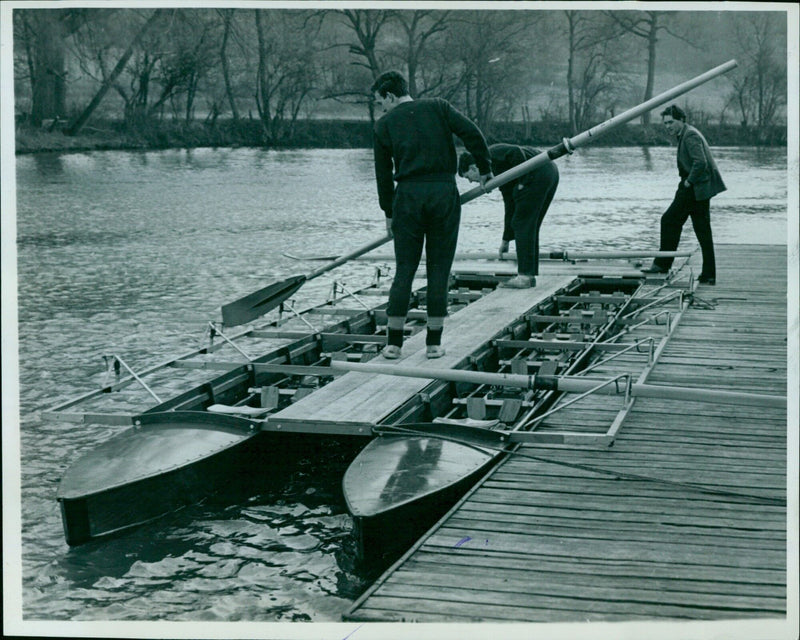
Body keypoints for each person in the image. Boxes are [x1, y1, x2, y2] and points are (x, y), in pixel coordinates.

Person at [371, 70, 492, 360]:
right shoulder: (438, 107)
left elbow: (383, 175)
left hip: (407, 198)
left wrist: (388, 213)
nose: (380, 109)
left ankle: (393, 344)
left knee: (405, 270)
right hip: (442, 194)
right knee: (439, 269)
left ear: (389, 96)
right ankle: (434, 345)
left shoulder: (384, 125)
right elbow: (472, 133)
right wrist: (485, 168)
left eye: (379, 102)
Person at [641, 105, 726, 285]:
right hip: (699, 190)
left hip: (693, 189)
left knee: (669, 220)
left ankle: (662, 264)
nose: (668, 126)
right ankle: (709, 274)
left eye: (671, 122)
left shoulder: (690, 136)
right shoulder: (687, 133)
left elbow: (700, 162)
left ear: (681, 120)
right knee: (702, 231)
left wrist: (688, 182)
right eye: (665, 123)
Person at [459, 144, 559, 287]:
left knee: (522, 223)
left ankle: (525, 277)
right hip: (549, 170)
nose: (471, 182)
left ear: (474, 168)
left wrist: (523, 182)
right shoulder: (497, 174)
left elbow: (515, 151)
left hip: (539, 170)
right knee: (529, 224)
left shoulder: (489, 154)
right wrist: (505, 240)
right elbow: (509, 205)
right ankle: (529, 275)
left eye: (469, 177)